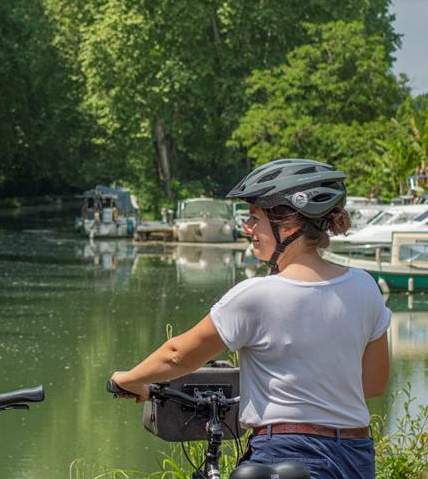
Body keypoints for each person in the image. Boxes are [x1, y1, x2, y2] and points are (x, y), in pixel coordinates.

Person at [110, 159, 391, 479]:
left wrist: (128, 379)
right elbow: (373, 383)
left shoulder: (257, 295)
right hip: (355, 458)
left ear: (288, 225)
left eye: (255, 219)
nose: (247, 229)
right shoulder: (365, 287)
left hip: (285, 453)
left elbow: (178, 355)